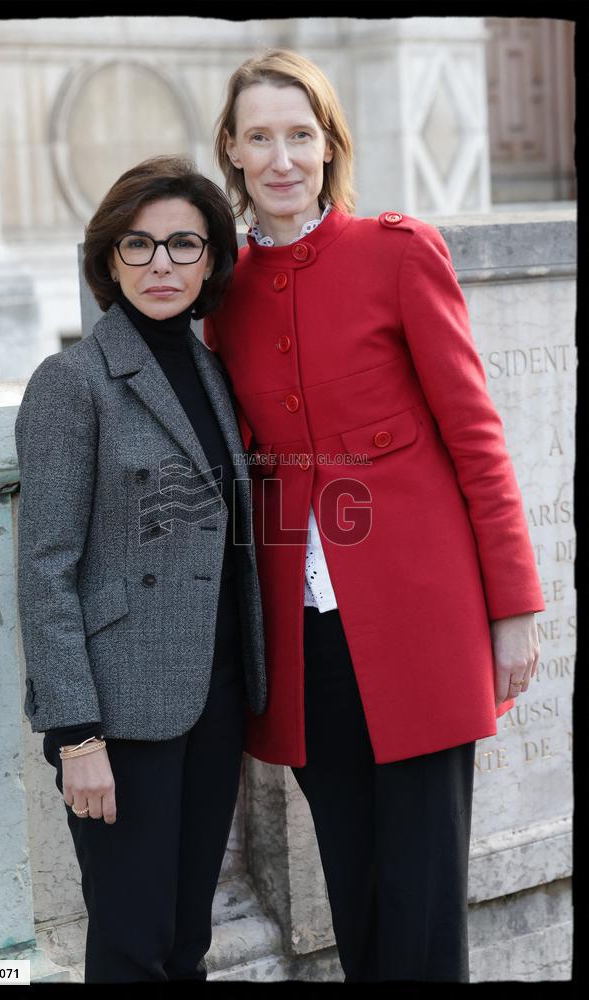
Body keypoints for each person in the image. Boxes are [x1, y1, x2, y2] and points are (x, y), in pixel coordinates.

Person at [204, 49, 545, 983]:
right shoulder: (219, 295)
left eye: (300, 136)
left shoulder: (398, 254)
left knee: (426, 905)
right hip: (302, 643)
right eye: (260, 137)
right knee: (354, 898)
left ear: (328, 146)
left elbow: (477, 437)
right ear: (231, 150)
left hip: (421, 627)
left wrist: (512, 606)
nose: (281, 158)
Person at [15, 155, 266, 983]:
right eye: (140, 245)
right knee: (131, 944)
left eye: (183, 245)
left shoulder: (211, 370)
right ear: (108, 261)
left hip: (214, 693)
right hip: (118, 713)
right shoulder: (71, 382)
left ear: (211, 260)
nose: (162, 265)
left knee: (187, 938)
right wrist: (76, 734)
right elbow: (47, 567)